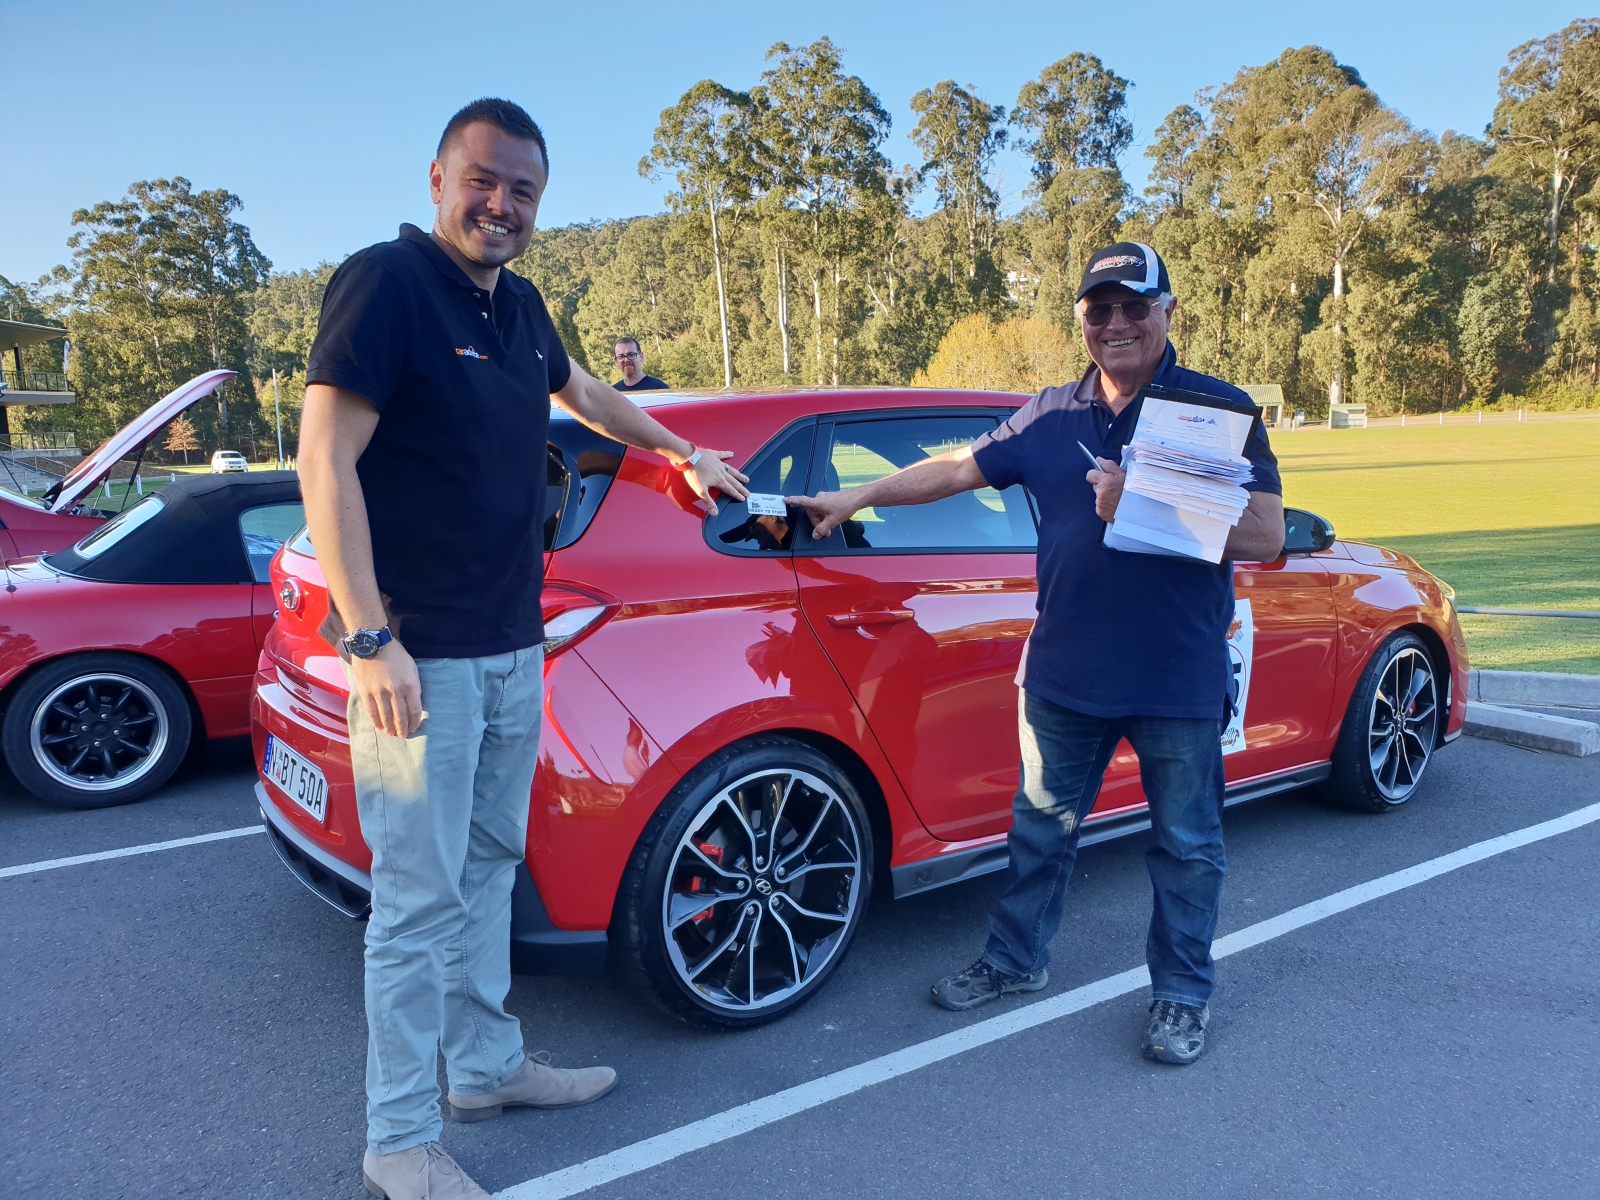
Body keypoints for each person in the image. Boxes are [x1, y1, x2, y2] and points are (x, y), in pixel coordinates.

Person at [299, 98, 748, 1200]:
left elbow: (585, 395)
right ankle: (399, 1141)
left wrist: (680, 449)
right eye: (483, 180)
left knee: (491, 868)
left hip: (513, 642)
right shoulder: (388, 285)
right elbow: (324, 457)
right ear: (438, 179)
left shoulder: (521, 305)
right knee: (415, 904)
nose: (501, 205)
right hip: (419, 655)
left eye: (523, 191)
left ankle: (486, 1068)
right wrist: (369, 637)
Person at [788, 241, 1284, 1067]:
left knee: (1187, 848)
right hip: (1065, 673)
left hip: (1176, 674)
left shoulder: (1214, 410)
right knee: (1040, 831)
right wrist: (861, 494)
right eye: (1100, 309)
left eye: (1134, 307)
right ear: (1081, 319)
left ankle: (1181, 994)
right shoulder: (1051, 413)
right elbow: (957, 468)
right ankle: (1016, 961)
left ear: (1168, 313)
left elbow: (1265, 535)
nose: (1116, 323)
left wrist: (1142, 499)